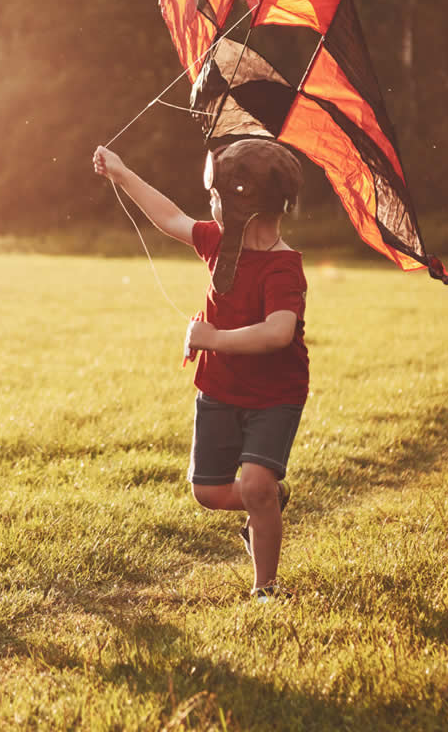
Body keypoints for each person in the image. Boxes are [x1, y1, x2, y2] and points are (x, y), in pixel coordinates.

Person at [93, 138, 308, 601]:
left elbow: (278, 332)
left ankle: (265, 587)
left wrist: (213, 339)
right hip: (219, 388)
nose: (211, 207)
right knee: (208, 493)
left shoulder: (283, 267)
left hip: (275, 394)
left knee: (255, 484)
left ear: (243, 205)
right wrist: (122, 173)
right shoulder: (219, 242)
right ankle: (269, 500)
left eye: (218, 198)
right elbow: (170, 217)